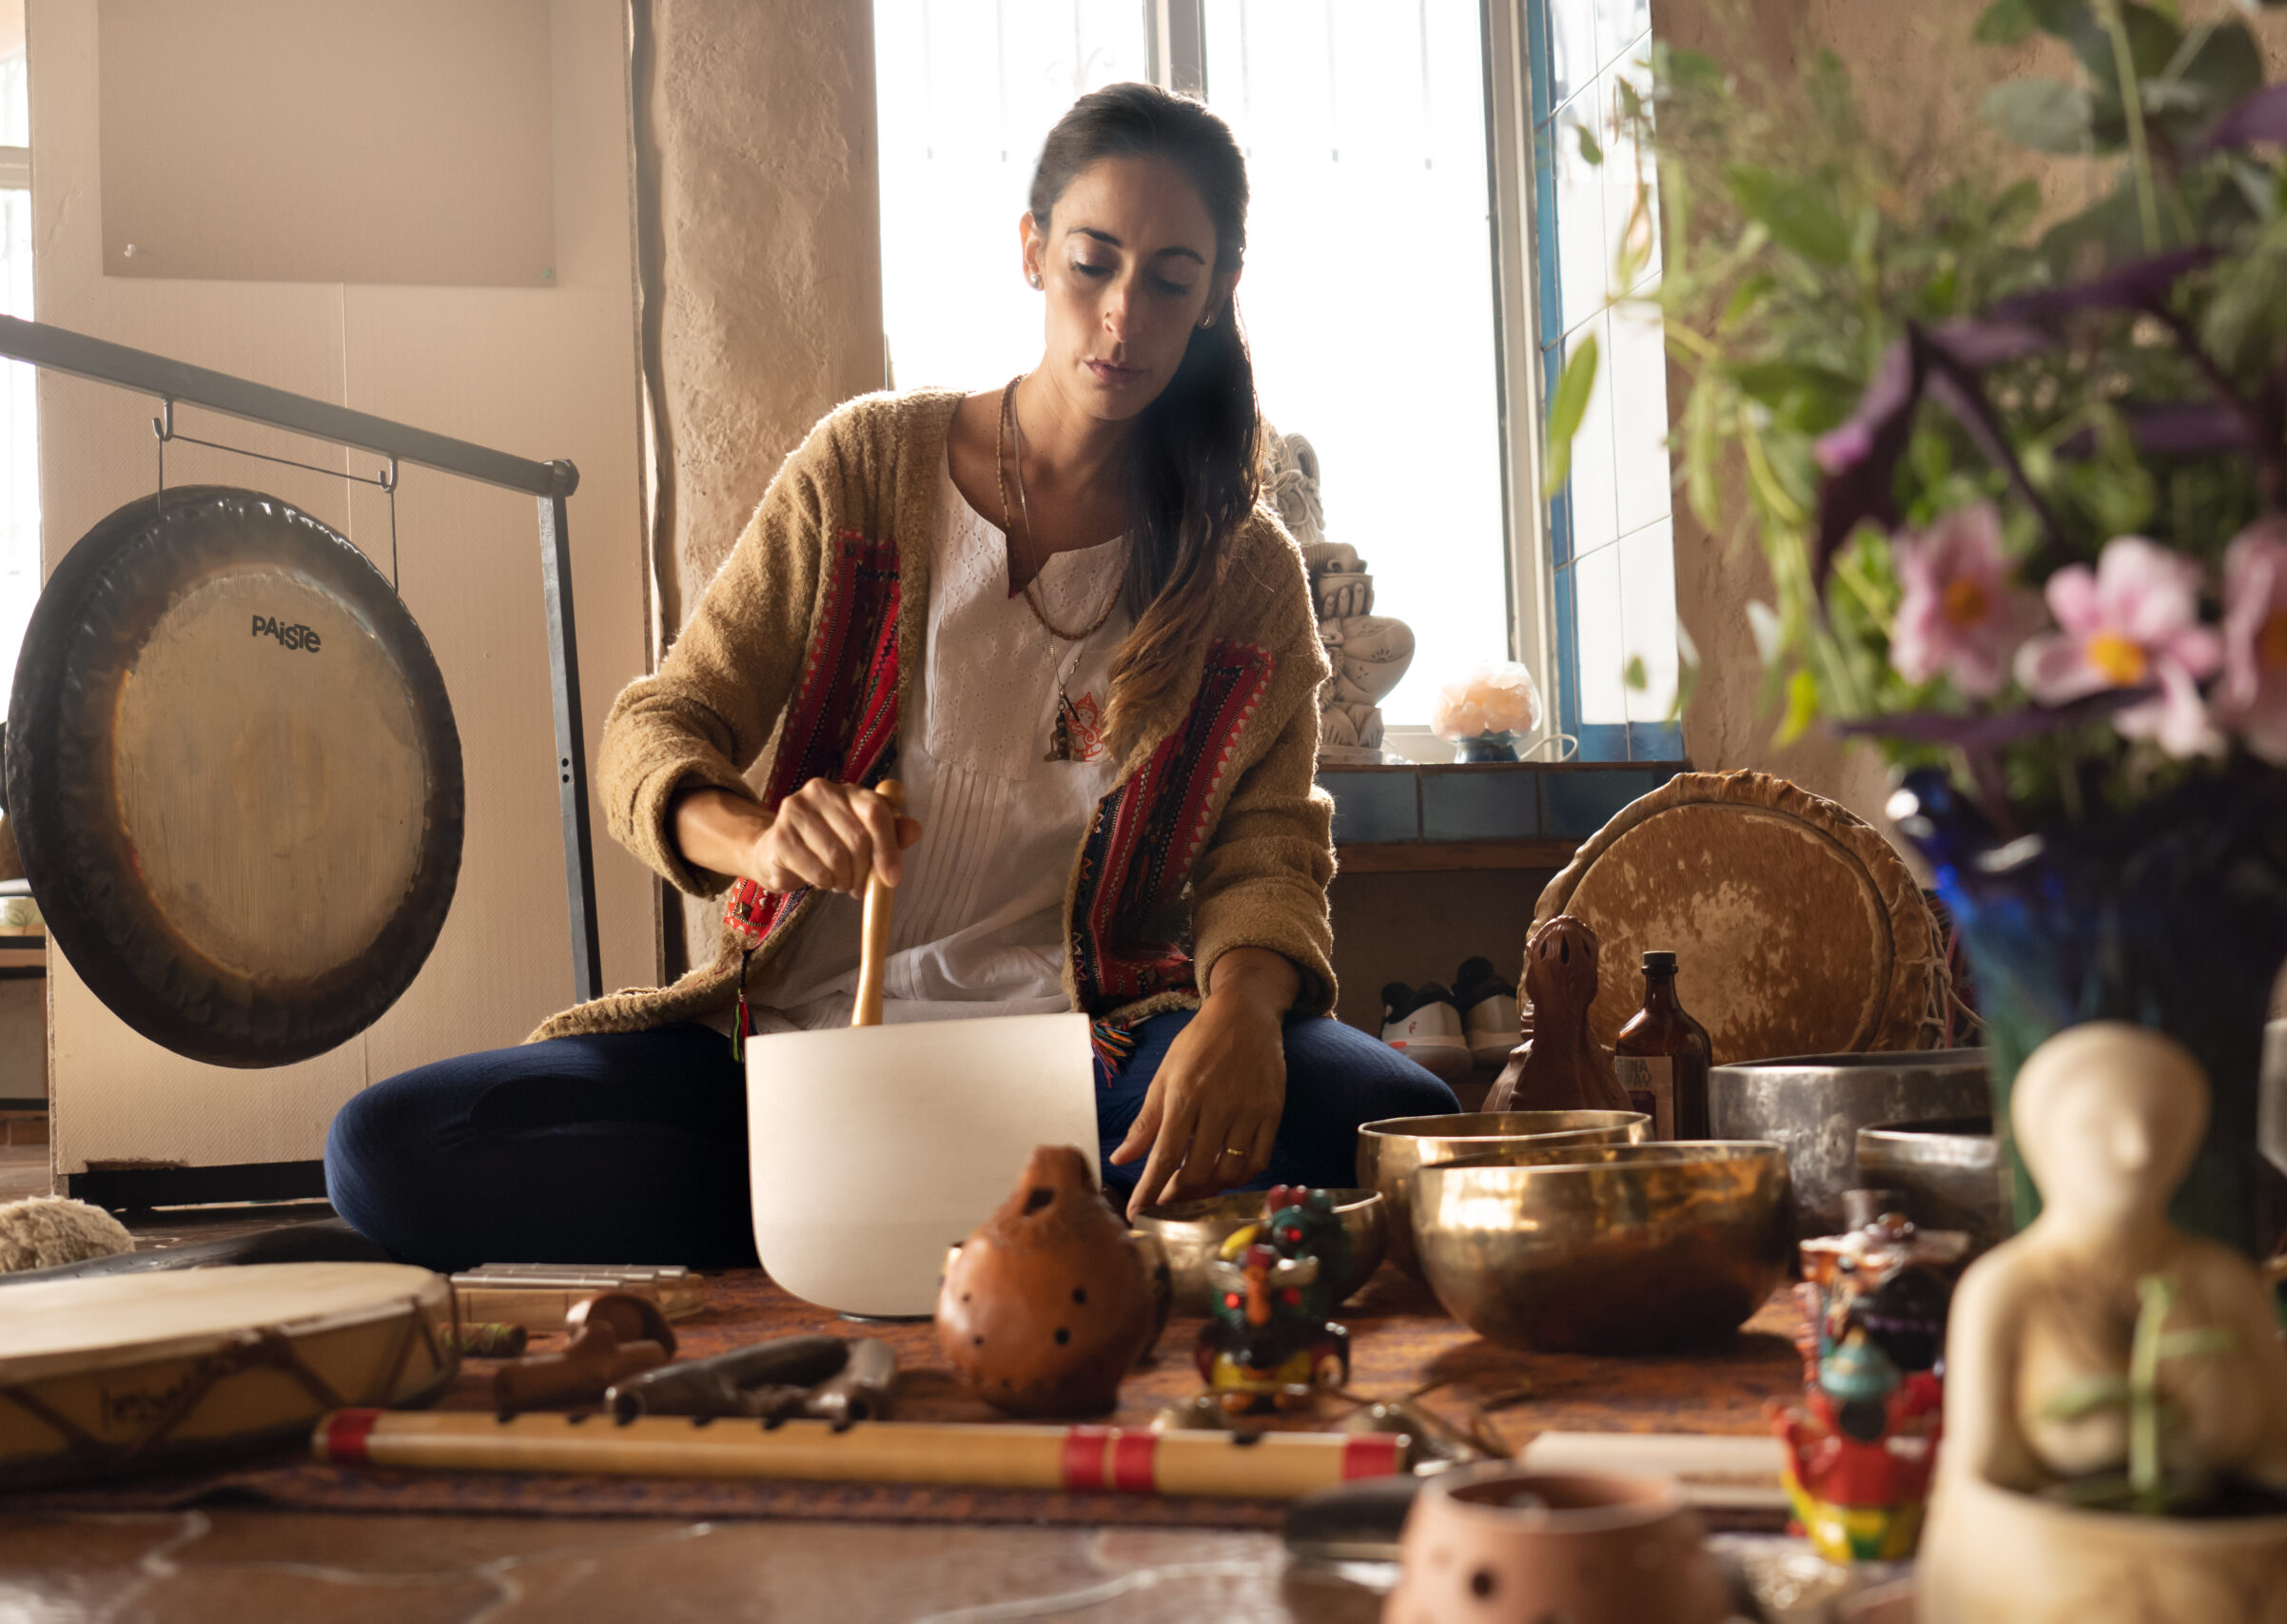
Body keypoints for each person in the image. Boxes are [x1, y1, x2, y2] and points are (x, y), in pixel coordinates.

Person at [323, 83, 1457, 1272]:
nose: (1124, 311)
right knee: (392, 1149)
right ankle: (985, 1221)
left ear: (1216, 294)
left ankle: (860, 1219)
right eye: (1093, 261)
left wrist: (1241, 1011)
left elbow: (1271, 848)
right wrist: (756, 838)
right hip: (797, 1049)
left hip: (1084, 1062)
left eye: (1172, 277)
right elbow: (656, 727)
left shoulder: (1245, 572)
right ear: (1031, 253)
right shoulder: (867, 472)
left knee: (1396, 1127)